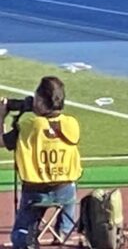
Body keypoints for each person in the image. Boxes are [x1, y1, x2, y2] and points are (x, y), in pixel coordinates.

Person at [1, 77, 82, 248]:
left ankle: (29, 238)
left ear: (39, 100)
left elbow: (2, 141)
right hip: (65, 188)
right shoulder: (72, 124)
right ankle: (63, 232)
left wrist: (2, 115)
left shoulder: (29, 125)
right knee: (70, 194)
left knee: (20, 233)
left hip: (36, 191)